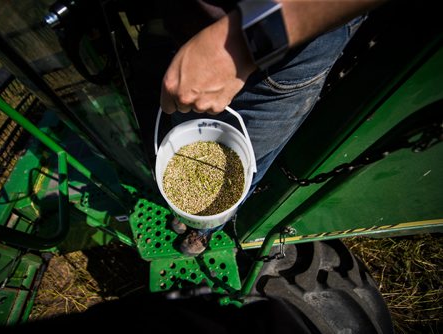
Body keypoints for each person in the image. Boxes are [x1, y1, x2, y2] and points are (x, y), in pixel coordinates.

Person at [146, 0, 387, 256]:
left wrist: (240, 43)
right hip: (197, 38)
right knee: (183, 130)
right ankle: (188, 215)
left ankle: (205, 229)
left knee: (249, 157)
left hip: (293, 44)